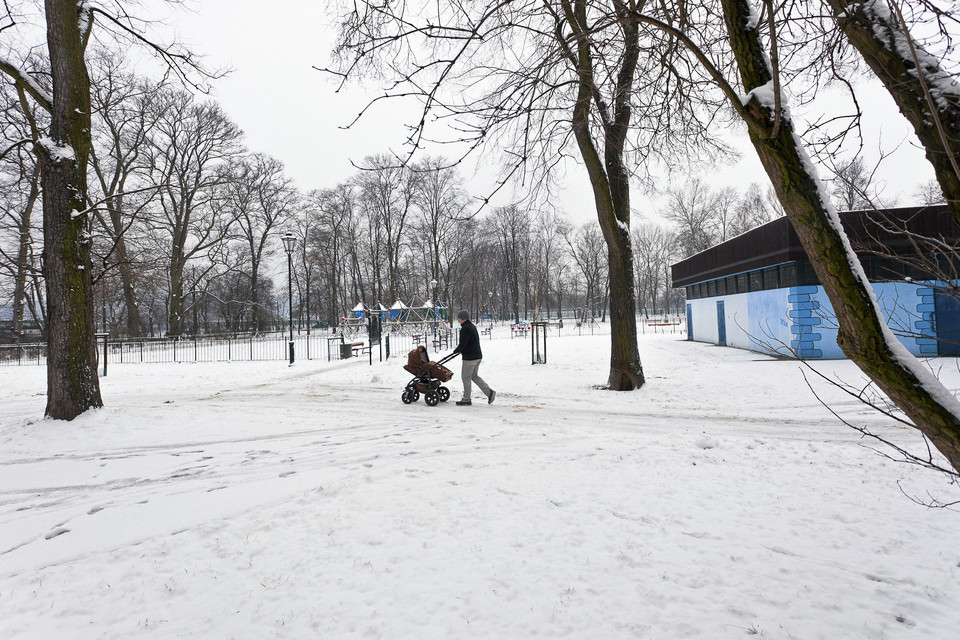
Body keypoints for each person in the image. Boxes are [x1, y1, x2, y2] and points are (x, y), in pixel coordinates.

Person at [452, 309, 495, 406]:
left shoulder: (465, 329)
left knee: (466, 378)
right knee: (474, 376)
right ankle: (490, 393)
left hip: (470, 358)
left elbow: (463, 343)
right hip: (477, 356)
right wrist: (460, 350)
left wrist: (457, 350)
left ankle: (466, 399)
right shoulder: (471, 326)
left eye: (459, 318)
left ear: (463, 319)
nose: (458, 320)